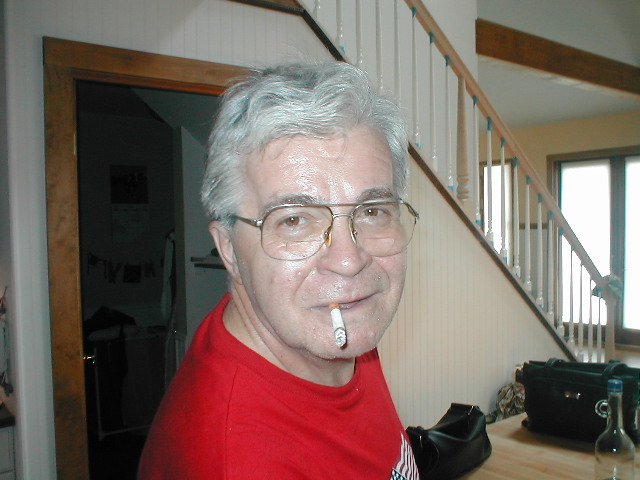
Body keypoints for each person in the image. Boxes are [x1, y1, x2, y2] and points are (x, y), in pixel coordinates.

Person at [138, 61, 420, 480]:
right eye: (294, 220)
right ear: (229, 249)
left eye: (373, 210)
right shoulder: (236, 462)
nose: (349, 260)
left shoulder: (335, 326)